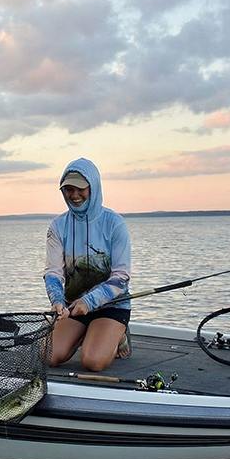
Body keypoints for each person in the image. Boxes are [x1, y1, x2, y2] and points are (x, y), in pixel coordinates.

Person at [44, 158, 131, 372]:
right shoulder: (57, 226)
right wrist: (57, 300)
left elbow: (121, 277)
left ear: (93, 186)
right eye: (68, 189)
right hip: (73, 307)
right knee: (49, 357)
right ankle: (89, 332)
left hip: (112, 306)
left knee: (93, 362)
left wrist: (89, 301)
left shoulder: (115, 224)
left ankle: (119, 334)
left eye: (80, 189)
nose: (74, 195)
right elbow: (53, 272)